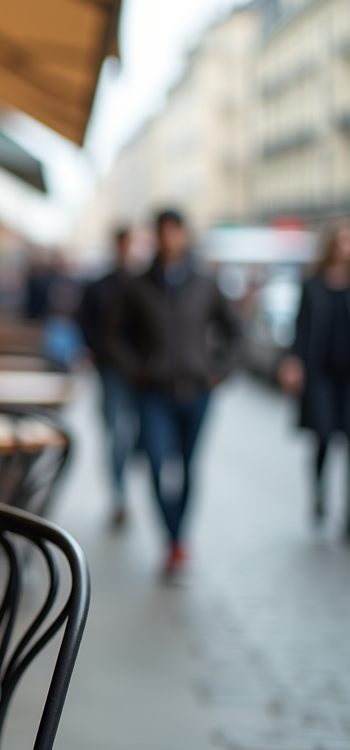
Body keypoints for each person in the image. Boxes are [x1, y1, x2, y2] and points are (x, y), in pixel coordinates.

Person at [107, 210, 241, 575]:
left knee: (187, 466)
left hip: (197, 391)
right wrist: (136, 369)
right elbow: (114, 334)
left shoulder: (205, 282)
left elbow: (233, 329)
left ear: (184, 235)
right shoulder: (137, 284)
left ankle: (179, 540)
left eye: (175, 231)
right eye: (163, 232)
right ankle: (173, 538)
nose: (169, 239)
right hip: (153, 392)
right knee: (154, 461)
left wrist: (220, 370)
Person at [279, 219, 350, 534]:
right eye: (342, 241)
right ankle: (319, 494)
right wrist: (293, 361)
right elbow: (301, 328)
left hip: (348, 375)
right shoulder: (313, 284)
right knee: (323, 436)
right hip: (320, 371)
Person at [77, 228, 137, 526]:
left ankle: (124, 486)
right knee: (117, 431)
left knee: (134, 433)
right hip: (111, 370)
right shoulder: (101, 285)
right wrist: (94, 350)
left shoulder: (144, 284)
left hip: (142, 374)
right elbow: (84, 320)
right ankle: (119, 493)